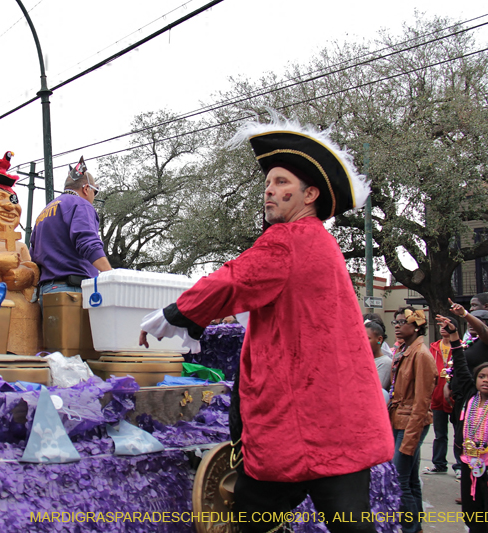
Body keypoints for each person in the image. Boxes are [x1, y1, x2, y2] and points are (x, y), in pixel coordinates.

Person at [139, 116, 392, 533]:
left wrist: (176, 314)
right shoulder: (320, 241)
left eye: (281, 182)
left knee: (253, 520)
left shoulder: (288, 239)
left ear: (310, 194)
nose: (269, 191)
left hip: (297, 426)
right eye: (268, 183)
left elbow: (235, 278)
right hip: (341, 425)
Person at [437, 313, 488, 532]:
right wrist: (455, 338)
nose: (486, 380)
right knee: (472, 517)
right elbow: (461, 365)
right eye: (482, 376)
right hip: (469, 466)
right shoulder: (468, 395)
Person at [0, 156, 42, 354]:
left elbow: (32, 268)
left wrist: (26, 275)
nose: (9, 206)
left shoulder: (19, 245)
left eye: (13, 200)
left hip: (22, 313)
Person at [29, 157, 112, 301]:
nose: (94, 196)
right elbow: (88, 243)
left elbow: (33, 254)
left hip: (45, 291)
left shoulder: (45, 211)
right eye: (95, 191)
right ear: (86, 189)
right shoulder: (81, 205)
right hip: (72, 291)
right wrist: (111, 275)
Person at [388, 306, 437, 533]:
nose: (397, 326)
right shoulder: (403, 350)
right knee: (410, 480)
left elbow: (421, 402)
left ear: (416, 326)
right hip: (399, 420)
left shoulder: (422, 355)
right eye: (395, 323)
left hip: (411, 423)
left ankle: (409, 528)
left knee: (399, 480)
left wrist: (410, 437)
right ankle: (415, 528)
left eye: (401, 322)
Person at [423, 314, 461, 476]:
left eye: (447, 326)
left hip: (454, 397)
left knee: (459, 434)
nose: (443, 329)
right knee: (440, 434)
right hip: (437, 397)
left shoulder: (459, 347)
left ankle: (460, 466)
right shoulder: (434, 347)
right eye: (441, 326)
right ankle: (439, 464)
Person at [450, 300, 488, 371]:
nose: (471, 324)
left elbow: (483, 330)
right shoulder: (468, 341)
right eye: (469, 321)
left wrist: (465, 314)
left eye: (477, 321)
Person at [366, 319, 392, 390]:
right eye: (361, 338)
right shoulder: (362, 360)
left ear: (379, 340)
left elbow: (374, 389)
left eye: (368, 338)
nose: (363, 341)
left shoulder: (385, 362)